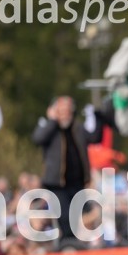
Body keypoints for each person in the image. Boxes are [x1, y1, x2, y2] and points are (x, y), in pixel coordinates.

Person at [31, 96, 102, 243]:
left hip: (77, 183)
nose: (65, 114)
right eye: (61, 110)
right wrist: (52, 121)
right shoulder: (50, 128)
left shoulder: (77, 127)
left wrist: (99, 116)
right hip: (56, 184)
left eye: (67, 110)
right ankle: (68, 244)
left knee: (79, 216)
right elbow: (38, 138)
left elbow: (95, 138)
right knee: (63, 217)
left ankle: (73, 243)